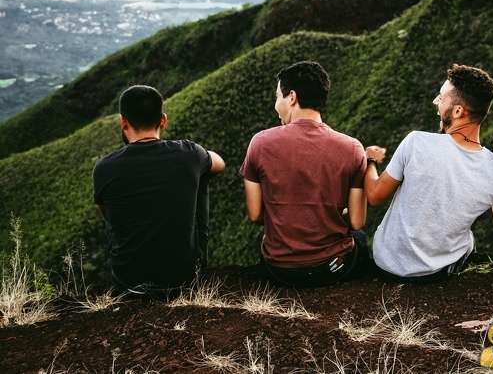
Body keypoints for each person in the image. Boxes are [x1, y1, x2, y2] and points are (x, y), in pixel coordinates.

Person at [365, 64, 493, 282]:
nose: (435, 101)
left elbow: (374, 196)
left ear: (458, 111)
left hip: (387, 265)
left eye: (441, 97)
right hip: (437, 272)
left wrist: (370, 160)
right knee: (468, 239)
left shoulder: (415, 142)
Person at [241, 61, 369, 287]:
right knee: (360, 238)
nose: (276, 105)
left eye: (277, 97)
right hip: (332, 269)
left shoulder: (260, 143)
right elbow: (357, 221)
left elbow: (256, 215)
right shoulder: (353, 148)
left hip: (280, 269)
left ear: (291, 97)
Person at [93, 85, 225, 295]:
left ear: (123, 122)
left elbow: (108, 216)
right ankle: (195, 266)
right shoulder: (189, 153)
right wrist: (198, 157)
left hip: (128, 282)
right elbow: (220, 164)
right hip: (183, 279)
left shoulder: (104, 168)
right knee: (202, 174)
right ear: (163, 120)